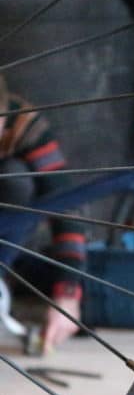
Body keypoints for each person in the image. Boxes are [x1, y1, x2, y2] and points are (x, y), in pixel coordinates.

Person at [0, 74, 86, 351]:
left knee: (15, 179)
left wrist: (68, 294)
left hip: (7, 219)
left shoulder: (24, 124)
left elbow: (65, 205)